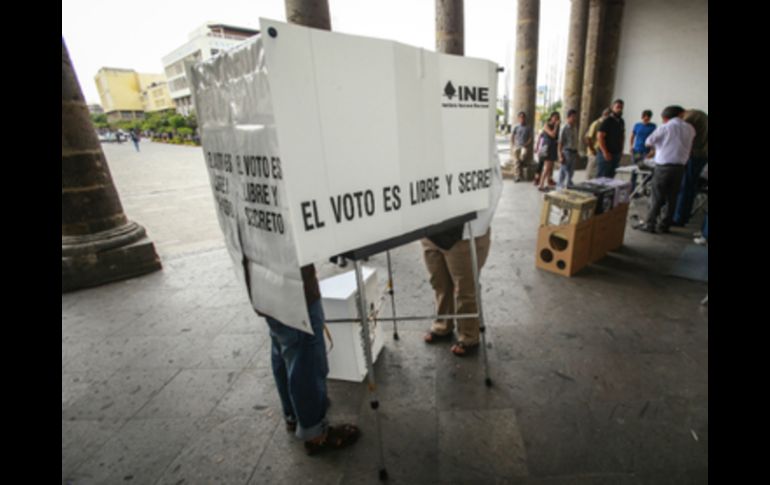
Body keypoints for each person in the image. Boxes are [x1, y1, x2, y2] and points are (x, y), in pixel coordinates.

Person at [264, 265, 361, 455]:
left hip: (265, 289)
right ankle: (315, 432)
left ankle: (293, 414)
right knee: (305, 357)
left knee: (283, 349)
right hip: (294, 292)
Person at [422, 156, 501, 357]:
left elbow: (492, 184)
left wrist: (478, 226)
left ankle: (468, 336)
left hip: (465, 232)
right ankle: (443, 325)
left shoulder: (477, 142)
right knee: (439, 282)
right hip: (430, 227)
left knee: (464, 289)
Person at [636, 105, 696, 233]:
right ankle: (665, 225)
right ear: (681, 114)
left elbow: (648, 141)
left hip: (663, 167)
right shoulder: (690, 128)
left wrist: (660, 145)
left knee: (657, 197)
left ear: (666, 117)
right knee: (672, 197)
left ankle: (650, 224)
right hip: (680, 168)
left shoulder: (665, 127)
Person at [673, 109, 708, 226]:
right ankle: (684, 216)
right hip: (702, 155)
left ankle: (678, 217)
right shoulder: (701, 115)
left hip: (694, 155)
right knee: (691, 187)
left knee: (684, 187)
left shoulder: (688, 118)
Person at [596, 99, 626, 178]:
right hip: (606, 154)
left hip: (616, 153)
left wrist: (621, 149)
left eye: (621, 108)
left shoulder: (621, 121)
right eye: (618, 107)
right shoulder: (607, 121)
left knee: (611, 177)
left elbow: (622, 135)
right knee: (602, 177)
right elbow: (600, 136)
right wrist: (605, 152)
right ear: (612, 108)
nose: (620, 109)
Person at [629, 110, 656, 190]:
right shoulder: (637, 125)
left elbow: (654, 139)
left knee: (646, 170)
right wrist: (631, 146)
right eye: (645, 117)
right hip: (637, 150)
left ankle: (644, 187)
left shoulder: (653, 126)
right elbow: (632, 136)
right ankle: (632, 188)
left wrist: (653, 150)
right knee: (634, 169)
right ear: (642, 117)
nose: (646, 118)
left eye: (648, 117)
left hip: (646, 151)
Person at [584, 108, 611, 180]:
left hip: (600, 152)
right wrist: (592, 150)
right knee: (590, 173)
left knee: (597, 173)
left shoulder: (606, 125)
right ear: (605, 115)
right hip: (594, 152)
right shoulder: (596, 124)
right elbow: (588, 138)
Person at [536, 112, 560, 191]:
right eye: (555, 117)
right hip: (547, 147)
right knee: (547, 167)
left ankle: (547, 183)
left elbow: (556, 138)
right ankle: (541, 184)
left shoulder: (556, 127)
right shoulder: (546, 125)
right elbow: (552, 135)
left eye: (557, 118)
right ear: (551, 117)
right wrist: (556, 126)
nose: (556, 119)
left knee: (550, 168)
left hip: (553, 147)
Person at [558, 109, 579, 189]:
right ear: (568, 117)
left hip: (573, 152)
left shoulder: (575, 128)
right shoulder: (564, 128)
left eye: (575, 117)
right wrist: (560, 156)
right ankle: (559, 187)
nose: (574, 118)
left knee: (571, 172)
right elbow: (560, 143)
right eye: (573, 117)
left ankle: (569, 186)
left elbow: (575, 141)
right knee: (564, 172)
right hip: (566, 152)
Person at [510, 111, 533, 182]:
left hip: (524, 146)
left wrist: (527, 144)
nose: (522, 118)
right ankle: (517, 176)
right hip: (517, 146)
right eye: (520, 117)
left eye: (523, 117)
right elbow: (512, 136)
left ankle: (520, 164)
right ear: (518, 118)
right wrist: (513, 144)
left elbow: (531, 138)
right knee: (516, 161)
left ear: (525, 118)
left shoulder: (528, 127)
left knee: (522, 157)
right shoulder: (516, 126)